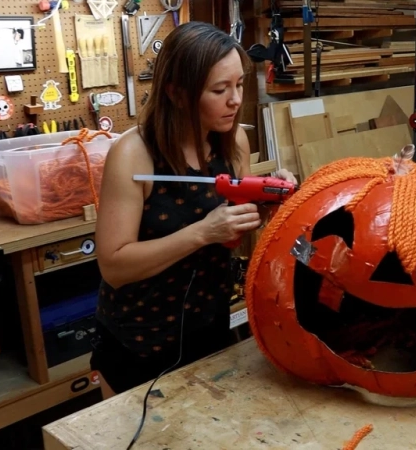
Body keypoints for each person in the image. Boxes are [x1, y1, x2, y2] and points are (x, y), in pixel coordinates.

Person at [90, 21, 296, 398]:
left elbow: (231, 236)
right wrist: (203, 231)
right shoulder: (133, 154)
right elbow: (114, 266)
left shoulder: (233, 141)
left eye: (239, 85)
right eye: (220, 90)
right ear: (177, 93)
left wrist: (265, 207)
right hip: (139, 338)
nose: (235, 100)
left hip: (208, 325)